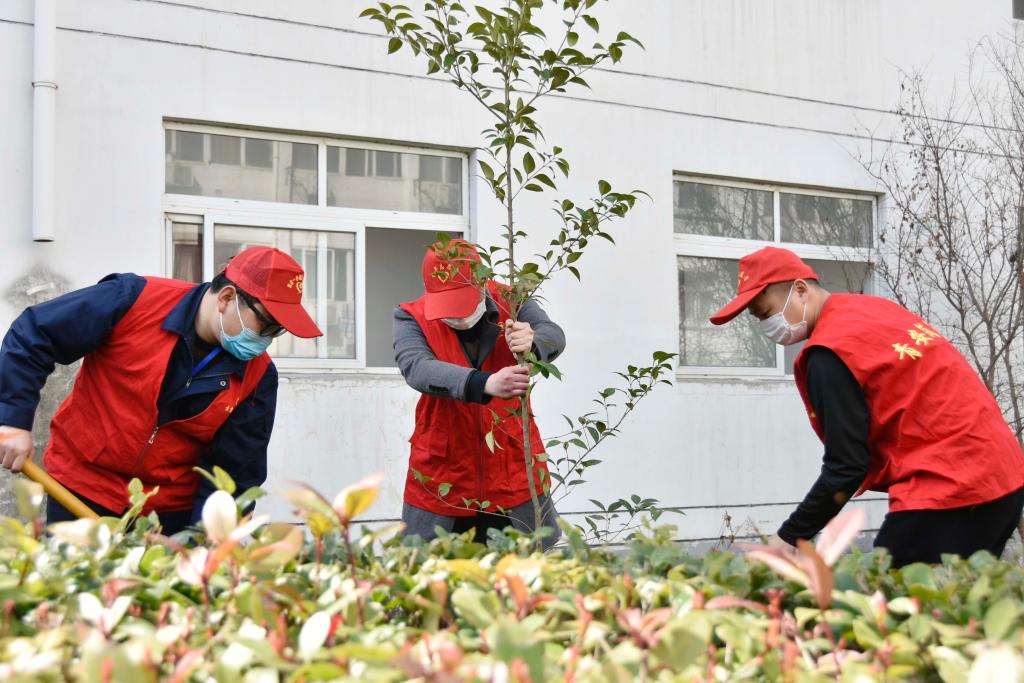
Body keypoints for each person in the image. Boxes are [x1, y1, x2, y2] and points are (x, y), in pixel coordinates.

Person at [709, 246, 1024, 567]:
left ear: (801, 290)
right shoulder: (874, 310)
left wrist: (789, 536)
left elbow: (847, 466)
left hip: (951, 488)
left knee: (883, 590)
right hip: (1005, 477)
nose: (767, 325)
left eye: (766, 313)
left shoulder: (829, 352)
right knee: (960, 596)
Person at [0, 246, 322, 533]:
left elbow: (236, 472)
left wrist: (200, 541)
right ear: (226, 298)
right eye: (266, 324)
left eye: (277, 331)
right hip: (81, 488)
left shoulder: (258, 377)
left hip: (165, 516)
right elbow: (34, 334)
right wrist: (13, 419)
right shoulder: (132, 300)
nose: (267, 339)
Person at [394, 239, 566, 547]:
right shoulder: (411, 316)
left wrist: (534, 341)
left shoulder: (512, 301)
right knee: (433, 565)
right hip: (443, 468)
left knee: (522, 565)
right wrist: (484, 383)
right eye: (446, 305)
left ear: (482, 283)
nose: (457, 317)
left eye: (462, 302)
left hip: (510, 460)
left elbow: (553, 334)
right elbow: (416, 367)